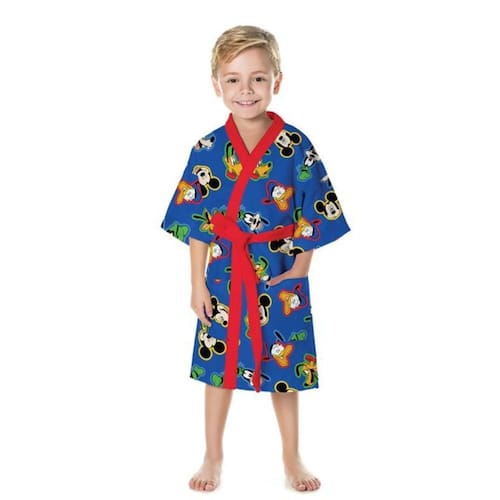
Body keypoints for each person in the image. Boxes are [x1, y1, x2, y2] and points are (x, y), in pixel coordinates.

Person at [160, 25, 350, 492]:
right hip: (225, 273)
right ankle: (213, 455)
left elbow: (312, 211)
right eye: (233, 79)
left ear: (276, 81)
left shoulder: (296, 145)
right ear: (217, 85)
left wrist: (300, 269)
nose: (246, 90)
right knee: (218, 369)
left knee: (286, 370)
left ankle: (291, 456)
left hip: (280, 271)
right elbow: (198, 223)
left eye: (258, 78)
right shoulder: (207, 148)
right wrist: (197, 284)